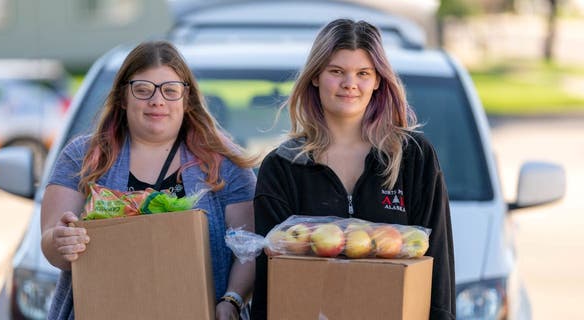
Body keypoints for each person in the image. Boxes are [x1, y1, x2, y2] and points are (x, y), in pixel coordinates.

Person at [250, 19, 455, 319]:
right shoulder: (282, 166)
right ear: (316, 77)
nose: (350, 84)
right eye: (336, 71)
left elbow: (438, 266)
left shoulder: (414, 157)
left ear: (378, 81)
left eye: (363, 73)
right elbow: (270, 281)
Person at [41, 41, 257, 320]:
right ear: (122, 97)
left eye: (170, 91)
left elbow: (249, 247)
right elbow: (50, 241)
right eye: (143, 90)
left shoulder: (226, 163)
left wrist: (232, 300)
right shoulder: (83, 156)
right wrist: (61, 242)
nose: (157, 101)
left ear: (186, 98)